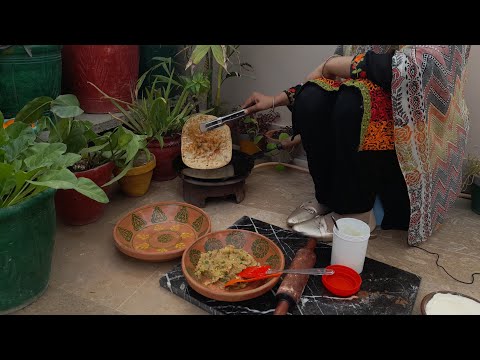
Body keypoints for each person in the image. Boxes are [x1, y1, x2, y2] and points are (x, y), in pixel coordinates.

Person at [242, 45, 471, 245]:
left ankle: (356, 214)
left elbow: (418, 68)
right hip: (358, 123)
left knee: (355, 101)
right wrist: (275, 100)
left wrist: (330, 64)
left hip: (412, 133)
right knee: (312, 96)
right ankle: (327, 199)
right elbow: (331, 76)